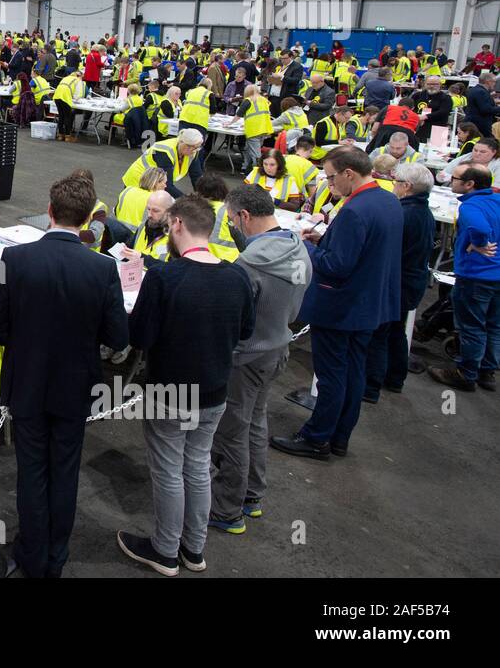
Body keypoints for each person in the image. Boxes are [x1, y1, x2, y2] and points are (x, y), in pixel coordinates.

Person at [0, 174, 128, 578]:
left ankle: (30, 557)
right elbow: (118, 336)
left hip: (27, 383)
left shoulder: (16, 260)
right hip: (74, 387)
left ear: (49, 212)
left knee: (32, 473)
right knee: (64, 472)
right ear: (88, 220)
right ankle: (55, 559)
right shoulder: (103, 268)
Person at [117, 196, 256, 576]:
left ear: (176, 224)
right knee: (196, 467)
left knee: (168, 470)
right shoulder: (237, 276)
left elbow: (141, 336)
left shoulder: (166, 277)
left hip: (170, 391)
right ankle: (193, 550)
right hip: (214, 391)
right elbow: (244, 331)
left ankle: (164, 551)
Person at [271, 147, 402, 459]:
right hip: (369, 303)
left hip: (341, 306)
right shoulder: (387, 200)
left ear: (348, 173)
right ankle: (339, 436)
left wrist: (308, 248)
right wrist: (326, 240)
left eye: (330, 178)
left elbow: (336, 265)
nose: (328, 184)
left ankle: (317, 437)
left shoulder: (354, 210)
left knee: (332, 376)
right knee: (354, 373)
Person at [208, 185, 311, 534]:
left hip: (245, 358)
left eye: (232, 219)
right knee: (255, 423)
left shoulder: (250, 264)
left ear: (244, 216)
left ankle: (226, 510)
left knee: (231, 433)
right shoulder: (297, 247)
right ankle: (252, 495)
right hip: (277, 347)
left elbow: (233, 318)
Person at [363, 163, 436, 401]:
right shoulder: (424, 212)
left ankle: (371, 387)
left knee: (379, 334)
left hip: (397, 283)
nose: (393, 186)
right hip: (412, 282)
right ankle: (395, 378)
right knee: (396, 332)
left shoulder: (403, 214)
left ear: (406, 186)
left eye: (396, 183)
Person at [428, 164, 500, 391]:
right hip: (496, 275)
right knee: (494, 325)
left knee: (472, 325)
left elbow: (479, 228)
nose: (451, 181)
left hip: (477, 276)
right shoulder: (495, 201)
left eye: (455, 178)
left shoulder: (471, 207)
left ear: (470, 184)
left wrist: (478, 244)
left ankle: (466, 373)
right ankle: (487, 372)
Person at [121, 129, 204, 198]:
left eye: (197, 147)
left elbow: (197, 176)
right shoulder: (165, 151)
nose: (195, 151)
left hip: (154, 183)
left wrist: (203, 196)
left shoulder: (192, 151)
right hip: (138, 181)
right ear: (181, 142)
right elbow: (168, 186)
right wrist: (187, 201)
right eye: (191, 147)